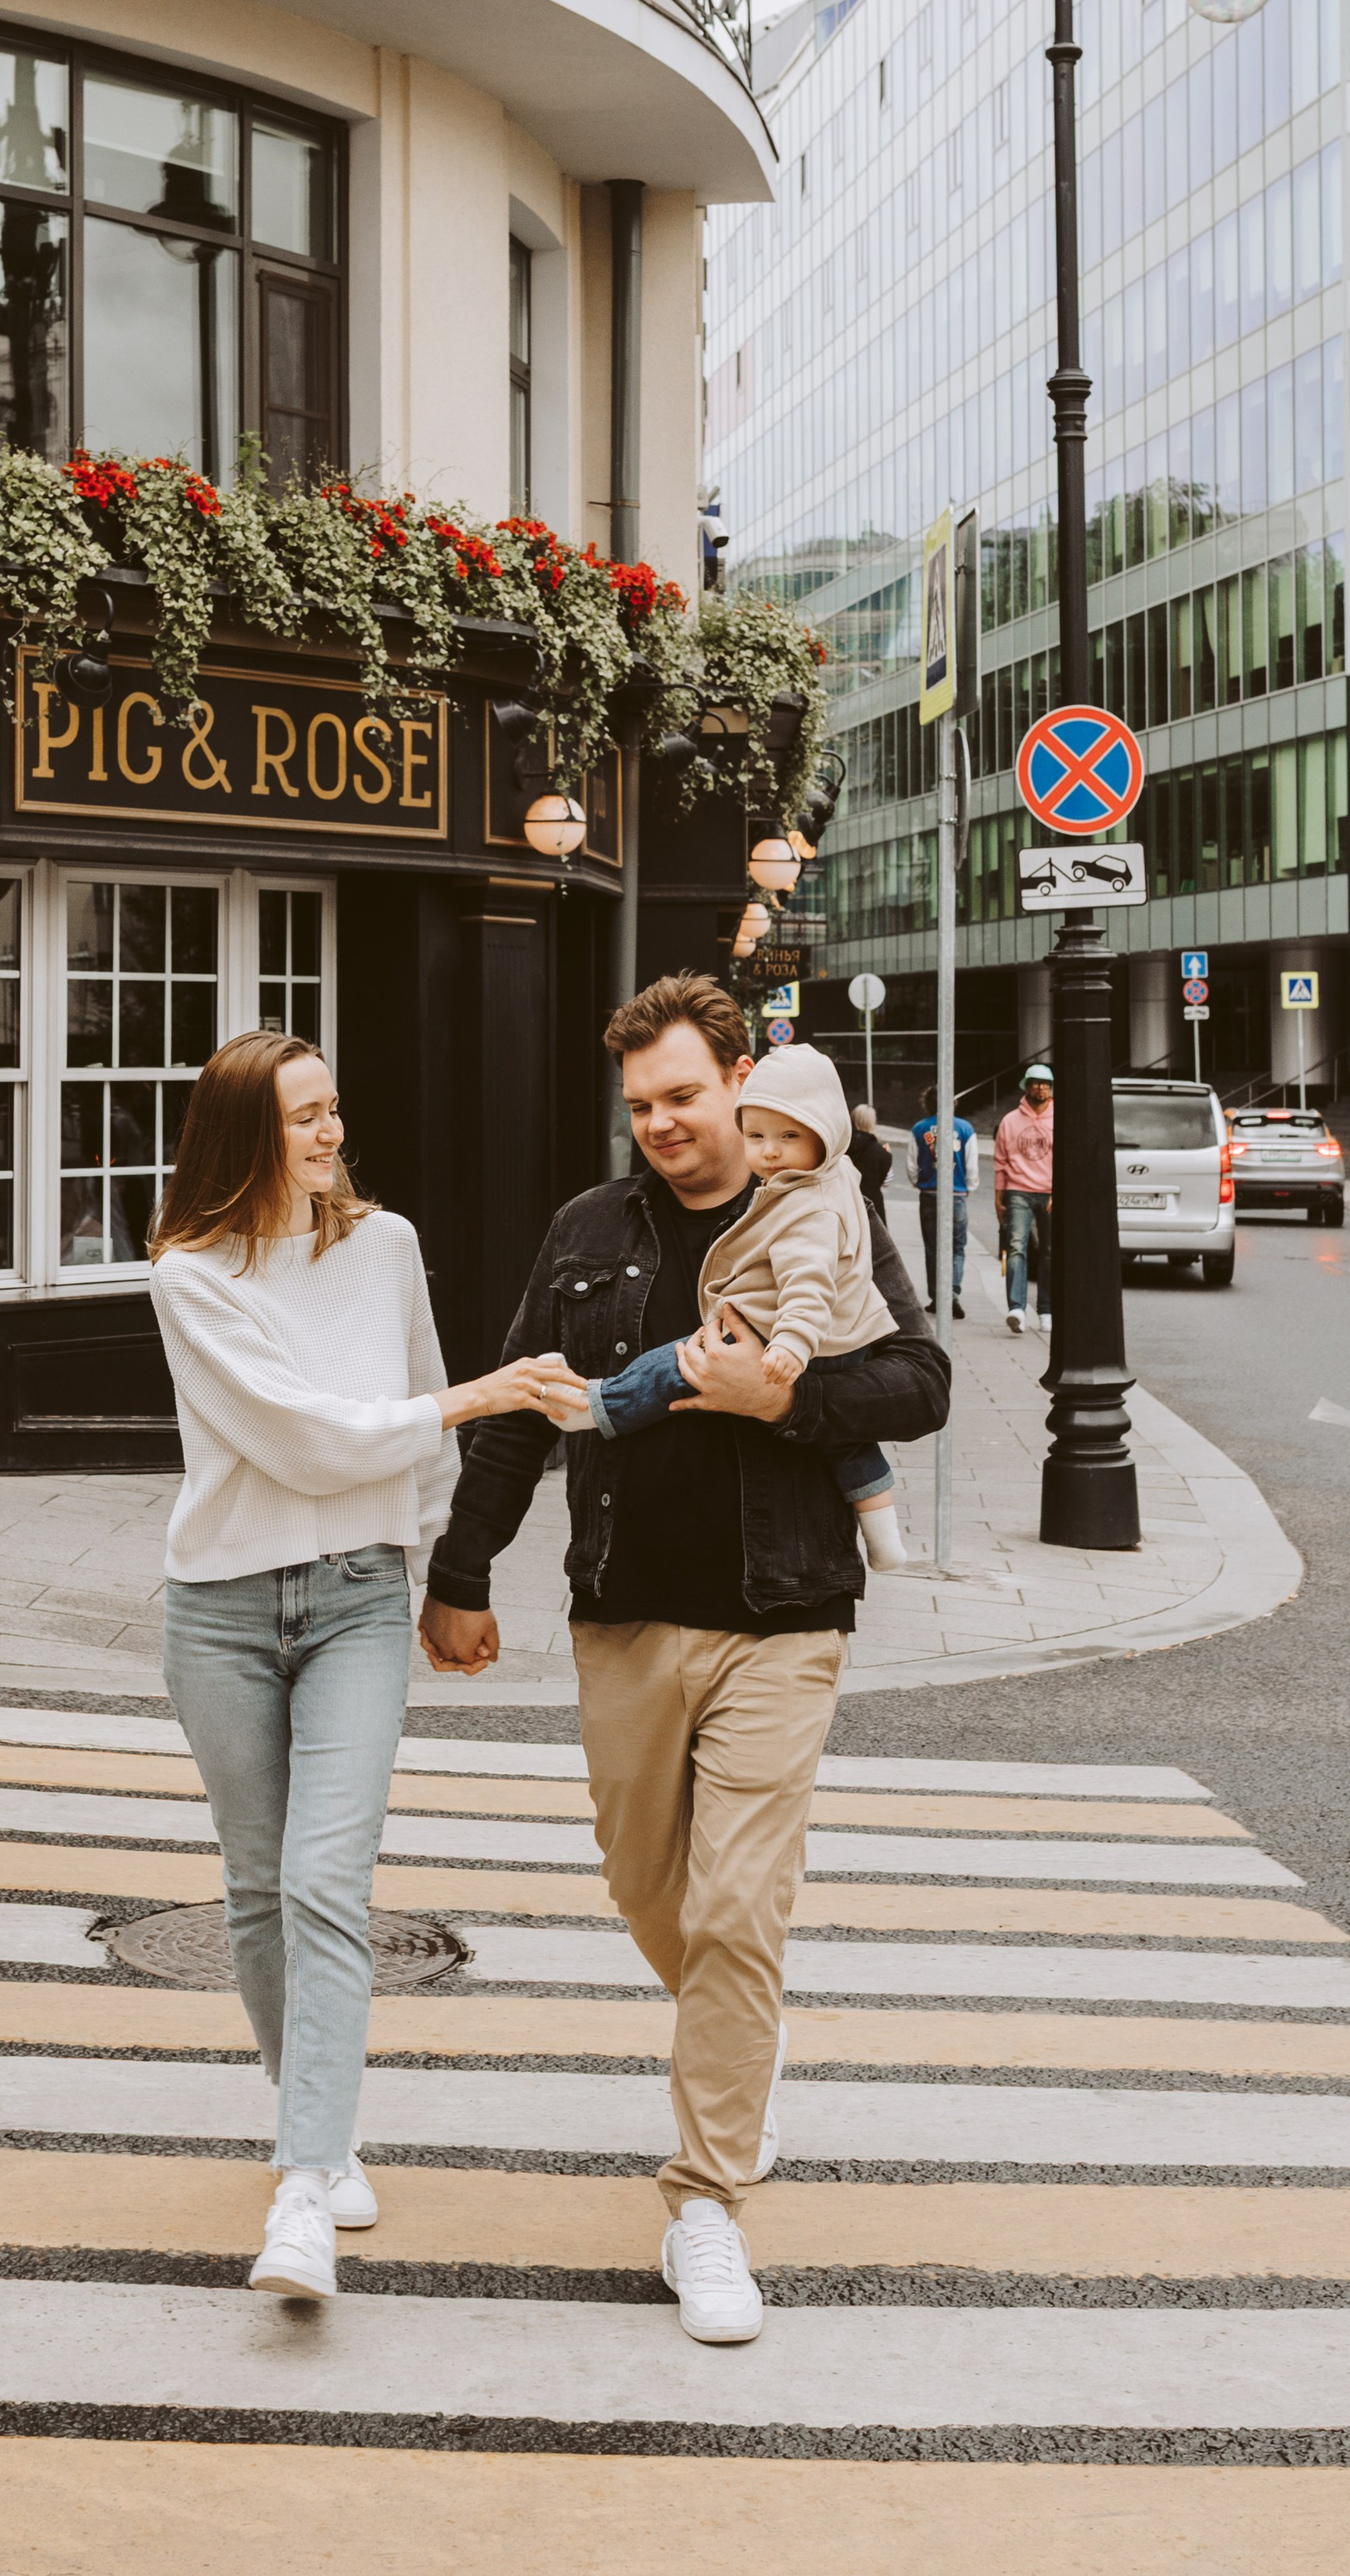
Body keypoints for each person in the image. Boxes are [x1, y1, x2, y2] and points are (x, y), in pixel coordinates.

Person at [418, 973, 951, 2349]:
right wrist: (463, 1571)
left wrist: (793, 1394)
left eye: (685, 1097)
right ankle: (740, 2045)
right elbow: (525, 1408)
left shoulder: (825, 1206)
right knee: (649, 1887)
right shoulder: (589, 1229)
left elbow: (922, 1381)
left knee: (734, 1916)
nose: (661, 1124)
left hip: (786, 1615)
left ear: (741, 1082)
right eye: (641, 1105)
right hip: (624, 1614)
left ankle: (706, 2199)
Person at [148, 1029, 563, 2306]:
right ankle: (317, 2128)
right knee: (257, 1887)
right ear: (243, 1137)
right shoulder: (189, 1274)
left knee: (326, 1881)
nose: (331, 1134)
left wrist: (448, 1578)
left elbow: (413, 1426)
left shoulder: (383, 1248)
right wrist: (480, 1396)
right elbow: (306, 1441)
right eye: (303, 1117)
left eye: (334, 1109)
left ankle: (301, 2186)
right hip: (220, 1608)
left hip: (357, 1602)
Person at [569, 1041, 910, 1578]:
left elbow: (811, 1287)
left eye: (682, 1096)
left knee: (679, 1363)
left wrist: (789, 1362)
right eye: (638, 1106)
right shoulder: (834, 1178)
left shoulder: (806, 1208)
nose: (770, 1153)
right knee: (849, 1447)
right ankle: (886, 1541)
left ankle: (603, 1404)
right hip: (626, 1588)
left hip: (787, 1590)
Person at [992, 1062, 1054, 1335]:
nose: (1040, 1088)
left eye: (1045, 1084)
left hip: (1050, 1191)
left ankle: (1046, 1310)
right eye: (1035, 1083)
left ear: (1051, 1089)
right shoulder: (1010, 1121)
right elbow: (1000, 1162)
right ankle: (1016, 1308)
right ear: (1026, 1087)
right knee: (1017, 1247)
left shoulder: (1059, 1118)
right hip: (1018, 1189)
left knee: (1050, 1252)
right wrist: (998, 1198)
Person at [911, 1083, 976, 1321]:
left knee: (932, 1248)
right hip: (956, 1194)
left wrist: (921, 1181)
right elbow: (971, 1164)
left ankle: (937, 1296)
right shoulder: (965, 1128)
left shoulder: (920, 1128)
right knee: (957, 1247)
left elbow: (911, 1165)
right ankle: (952, 1292)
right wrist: (969, 1187)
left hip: (930, 1193)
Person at [848, 1103, 892, 1207]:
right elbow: (887, 1181)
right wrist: (888, 1156)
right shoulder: (880, 1152)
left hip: (847, 1202)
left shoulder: (843, 1146)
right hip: (871, 1205)